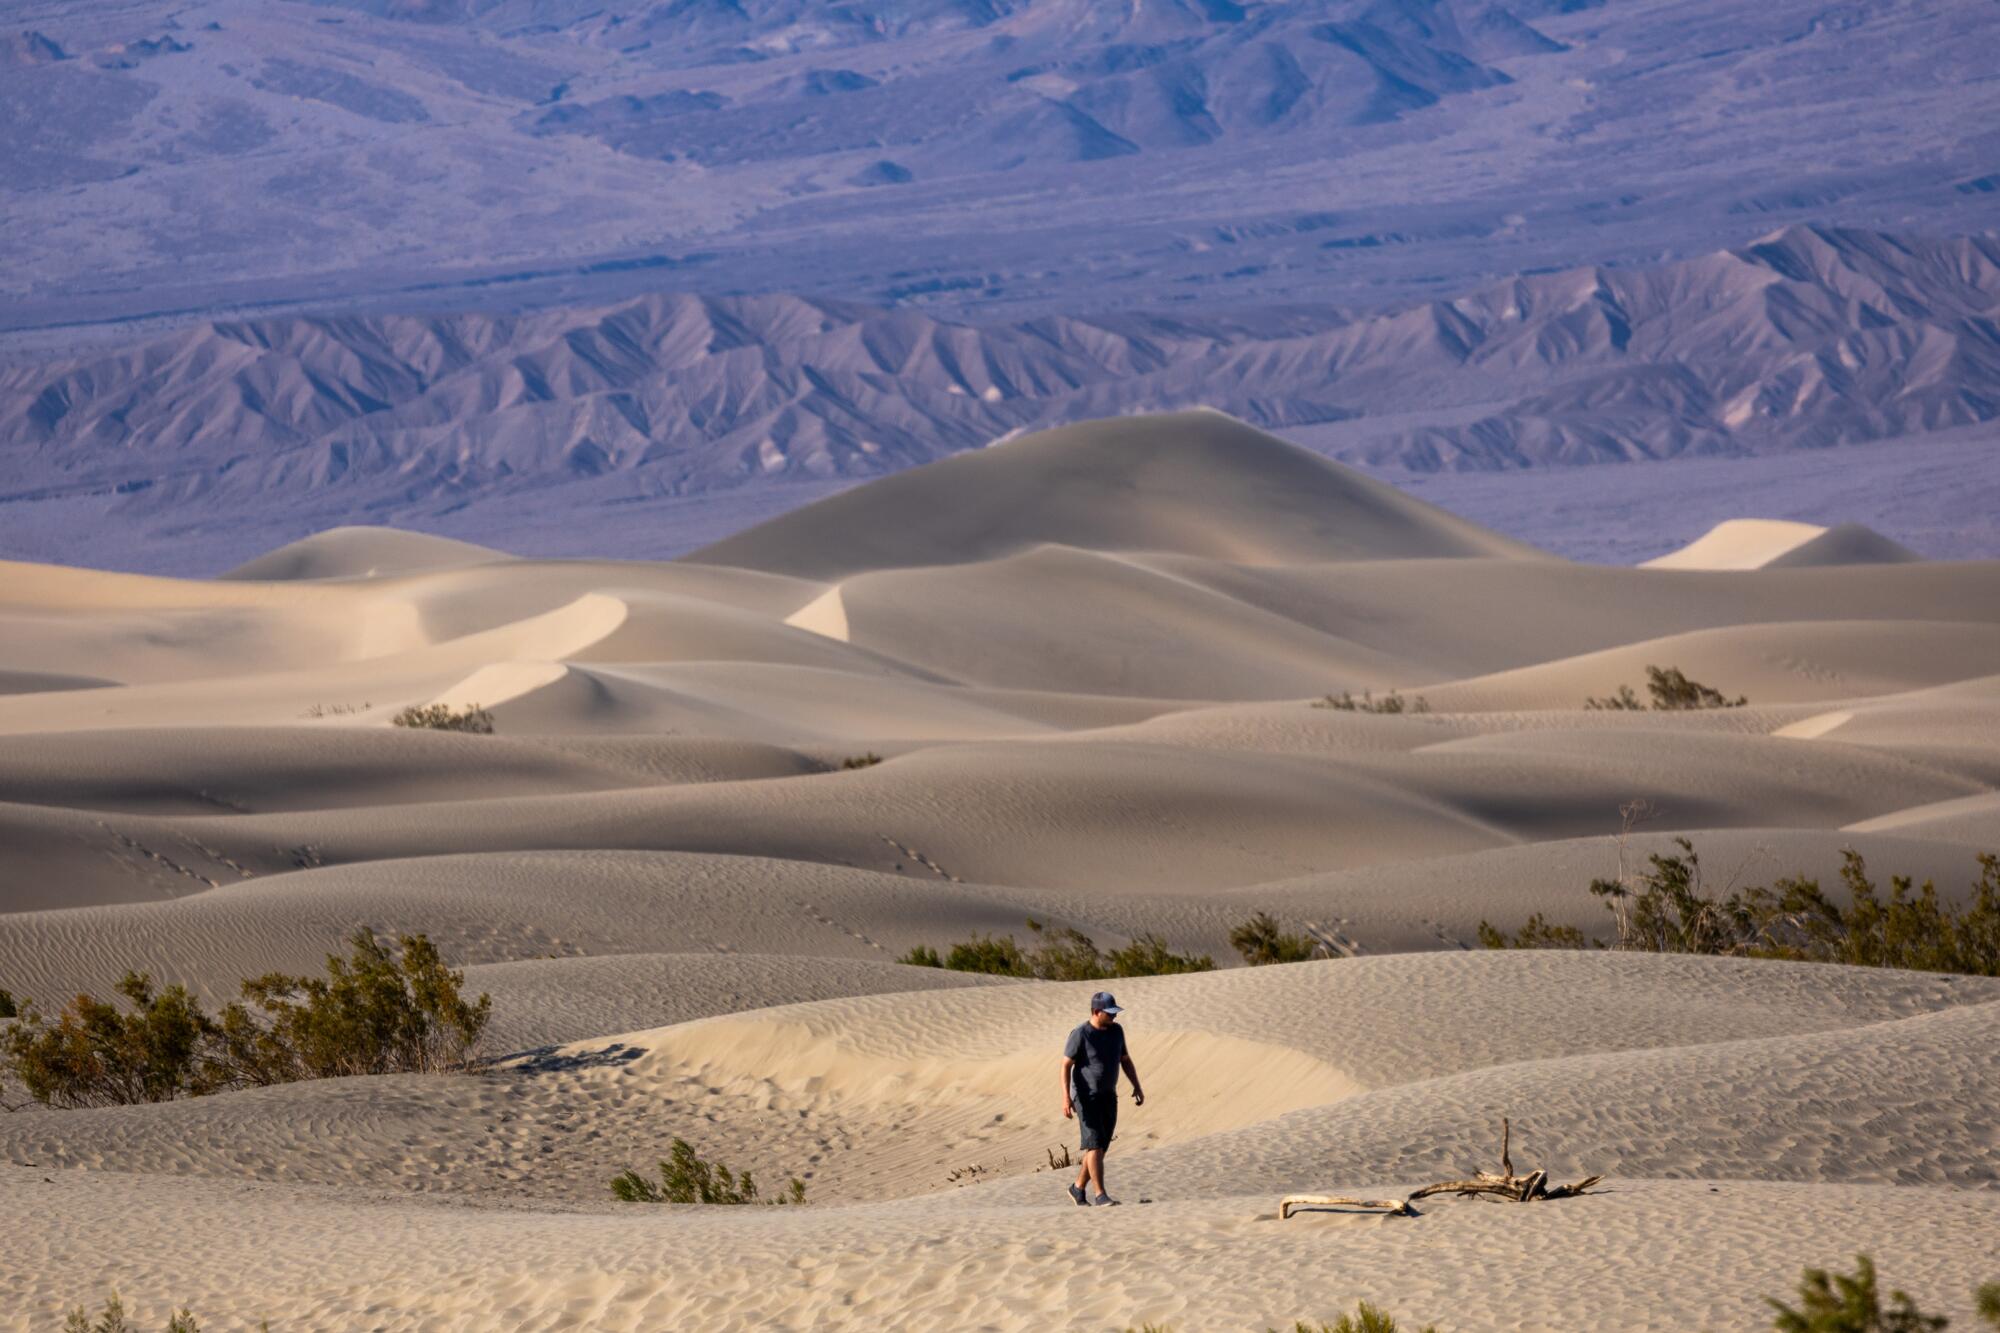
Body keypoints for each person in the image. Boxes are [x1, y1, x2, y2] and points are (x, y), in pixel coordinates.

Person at [1060, 989, 1144, 1206]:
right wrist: (1066, 1098)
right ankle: (1100, 1194)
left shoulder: (1117, 1032)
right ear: (1097, 1011)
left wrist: (1136, 1085)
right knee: (1095, 1144)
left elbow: (1125, 1059)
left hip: (1108, 1095)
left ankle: (1077, 1188)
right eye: (1110, 1012)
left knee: (1101, 1147)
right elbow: (1065, 1065)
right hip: (1085, 1096)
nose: (1114, 1016)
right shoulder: (1080, 1034)